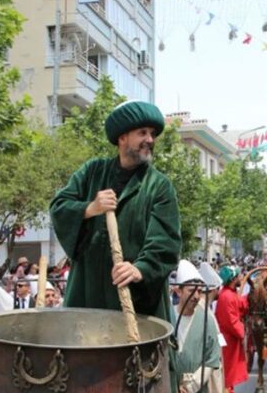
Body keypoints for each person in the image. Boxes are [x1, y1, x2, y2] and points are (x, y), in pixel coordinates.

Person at [49, 100, 181, 322]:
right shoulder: (92, 171)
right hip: (87, 297)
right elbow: (59, 207)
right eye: (142, 132)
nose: (150, 139)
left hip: (137, 305)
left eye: (152, 134)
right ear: (122, 138)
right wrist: (90, 208)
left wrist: (140, 269)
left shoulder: (159, 186)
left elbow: (166, 242)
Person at [170, 260, 223, 393]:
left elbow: (211, 360)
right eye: (191, 291)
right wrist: (172, 389)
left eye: (199, 291)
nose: (196, 296)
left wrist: (189, 387)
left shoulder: (207, 320)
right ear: (178, 291)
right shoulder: (168, 317)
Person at [214, 267, 249, 393]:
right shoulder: (227, 296)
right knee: (228, 365)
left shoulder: (230, 293)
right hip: (227, 337)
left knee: (231, 365)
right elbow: (231, 320)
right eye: (239, 276)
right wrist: (242, 331)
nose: (241, 278)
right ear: (233, 279)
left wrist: (250, 297)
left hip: (230, 336)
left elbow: (239, 304)